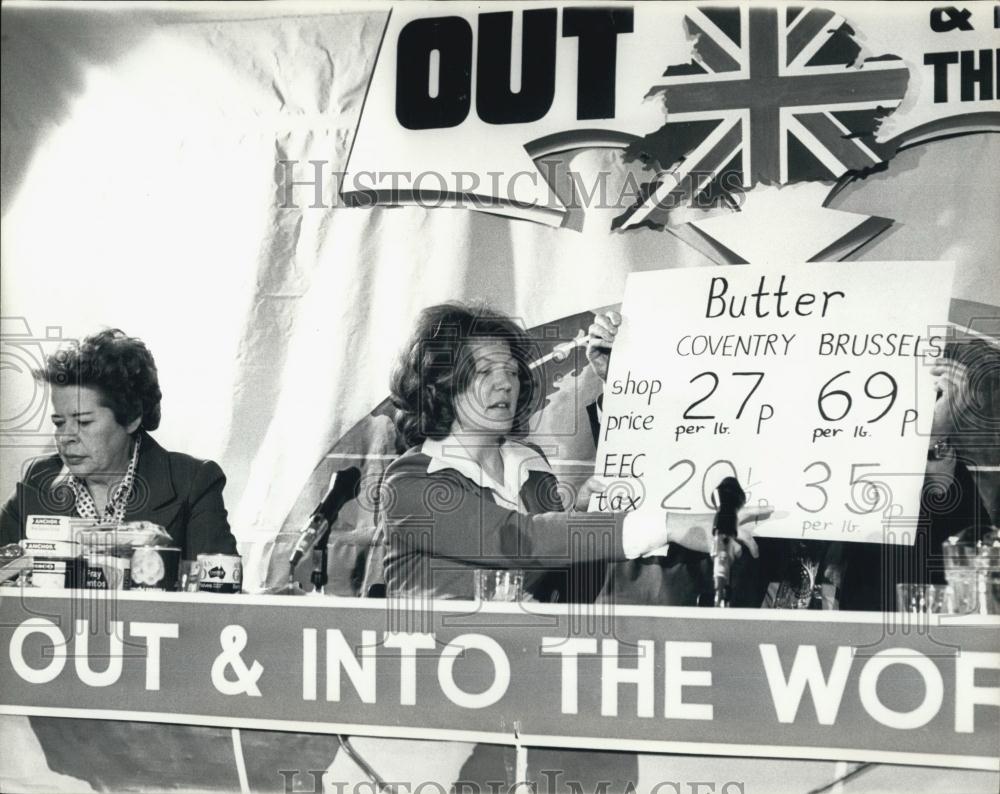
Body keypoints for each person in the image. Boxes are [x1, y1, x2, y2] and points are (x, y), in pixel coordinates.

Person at [381, 303, 770, 601]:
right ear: (440, 384)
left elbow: (557, 552)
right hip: (431, 676)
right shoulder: (411, 482)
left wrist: (629, 376)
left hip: (523, 673)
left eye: (512, 372)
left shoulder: (529, 463)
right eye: (483, 372)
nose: (505, 385)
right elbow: (521, 541)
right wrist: (669, 524)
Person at [0, 329, 237, 561]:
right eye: (59, 422)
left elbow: (218, 591)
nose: (66, 436)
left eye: (83, 421)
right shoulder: (38, 478)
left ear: (132, 417)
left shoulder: (193, 482)